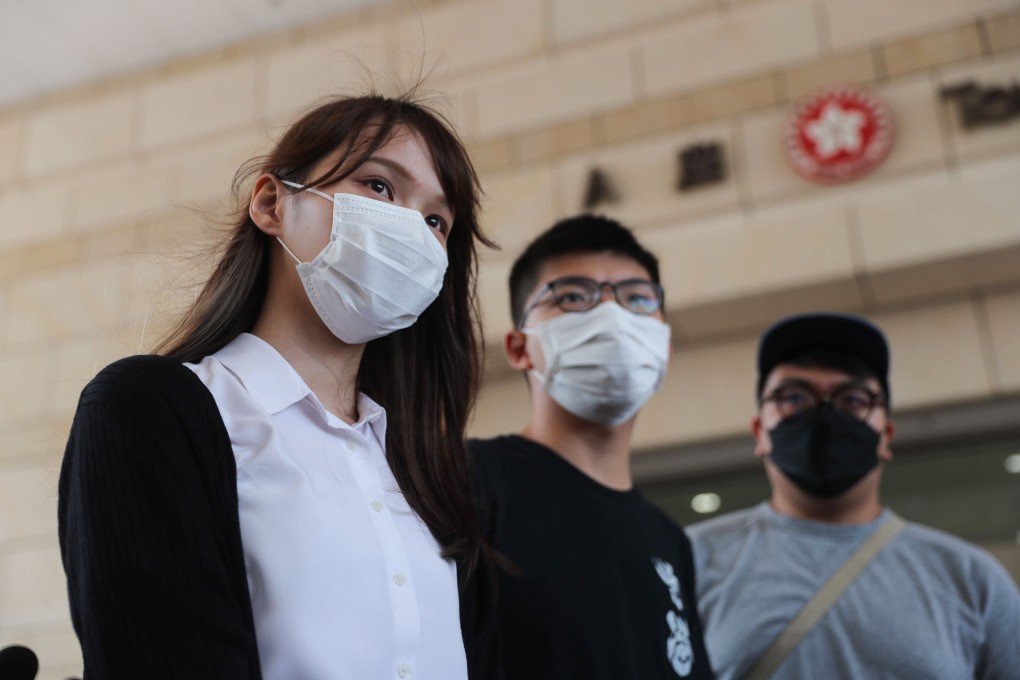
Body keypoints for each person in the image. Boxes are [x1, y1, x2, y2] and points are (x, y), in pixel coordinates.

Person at [58, 93, 497, 679]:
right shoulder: (153, 411)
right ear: (271, 203)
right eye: (379, 186)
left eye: (436, 221)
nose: (413, 231)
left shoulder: (422, 467)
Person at [688, 312, 1020, 680]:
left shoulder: (972, 579)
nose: (824, 412)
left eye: (853, 399)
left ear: (886, 436)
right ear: (759, 432)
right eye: (794, 397)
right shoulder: (689, 560)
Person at [469, 215, 715, 679]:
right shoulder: (470, 482)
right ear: (520, 348)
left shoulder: (670, 540)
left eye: (637, 299)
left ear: (664, 348)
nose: (612, 315)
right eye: (574, 296)